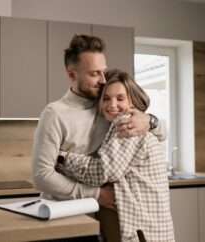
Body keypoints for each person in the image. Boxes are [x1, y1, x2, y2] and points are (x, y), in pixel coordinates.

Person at [32, 34, 166, 241]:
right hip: (67, 219)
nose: (103, 80)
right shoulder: (55, 114)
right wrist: (97, 194)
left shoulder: (107, 108)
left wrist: (150, 121)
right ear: (71, 75)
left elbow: (161, 134)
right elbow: (42, 176)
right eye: (95, 74)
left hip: (106, 221)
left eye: (103, 72)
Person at [57, 69, 175, 242]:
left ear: (132, 100)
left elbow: (102, 170)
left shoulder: (127, 123)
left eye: (120, 98)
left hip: (140, 233)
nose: (112, 105)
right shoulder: (129, 123)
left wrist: (61, 158)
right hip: (148, 231)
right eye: (106, 98)